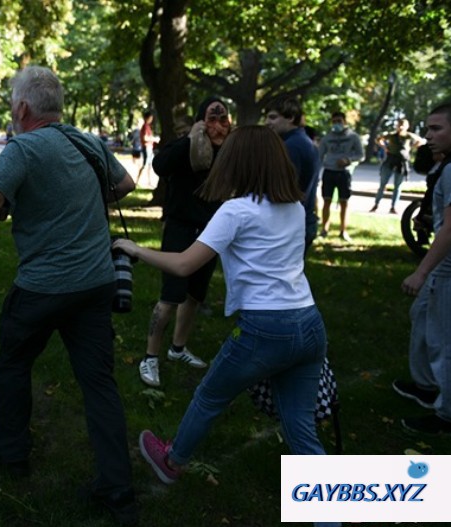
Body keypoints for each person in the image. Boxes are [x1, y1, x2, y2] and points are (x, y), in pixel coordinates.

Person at [114, 126, 339, 527]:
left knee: (210, 396)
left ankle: (171, 461)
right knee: (301, 429)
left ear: (237, 161)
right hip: (310, 323)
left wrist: (134, 248)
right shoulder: (294, 205)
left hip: (264, 329)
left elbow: (184, 264)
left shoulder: (236, 210)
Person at [0, 66, 138, 526]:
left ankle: (12, 454)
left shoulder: (24, 146)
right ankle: (119, 490)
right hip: (94, 283)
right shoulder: (87, 141)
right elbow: (126, 184)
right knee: (99, 384)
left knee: (14, 361)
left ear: (23, 108)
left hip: (43, 286)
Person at [137, 97, 231, 388]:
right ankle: (150, 356)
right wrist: (191, 138)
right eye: (211, 120)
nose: (217, 127)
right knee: (170, 298)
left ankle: (177, 349)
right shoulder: (186, 146)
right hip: (180, 229)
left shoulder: (229, 153)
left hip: (211, 232)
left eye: (223, 120)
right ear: (201, 121)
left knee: (194, 297)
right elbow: (160, 165)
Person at [395, 103, 451, 438]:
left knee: (448, 342)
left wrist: (421, 272)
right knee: (422, 313)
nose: (428, 136)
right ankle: (427, 386)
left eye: (437, 129)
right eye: (426, 129)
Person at [265, 97, 322, 253]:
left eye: (273, 117)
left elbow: (283, 192)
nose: (266, 122)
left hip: (292, 226)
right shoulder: (303, 141)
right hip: (302, 222)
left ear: (290, 118)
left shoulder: (292, 146)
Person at [318, 111, 363, 242]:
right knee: (326, 201)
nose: (337, 124)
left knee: (344, 202)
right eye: (334, 121)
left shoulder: (353, 137)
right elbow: (319, 156)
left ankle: (343, 231)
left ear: (345, 122)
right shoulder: (327, 138)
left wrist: (348, 160)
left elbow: (361, 155)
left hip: (344, 173)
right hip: (329, 172)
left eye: (339, 121)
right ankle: (324, 229)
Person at [371, 118, 425, 214]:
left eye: (402, 125)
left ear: (406, 126)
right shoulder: (391, 135)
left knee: (398, 186)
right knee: (382, 184)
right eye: (399, 124)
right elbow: (378, 139)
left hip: (402, 163)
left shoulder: (408, 136)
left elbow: (421, 140)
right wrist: (384, 147)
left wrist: (412, 147)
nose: (400, 127)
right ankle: (376, 204)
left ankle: (393, 207)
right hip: (390, 161)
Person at [136, 110, 157, 185]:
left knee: (149, 166)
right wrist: (154, 139)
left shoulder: (147, 126)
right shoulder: (145, 126)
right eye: (151, 117)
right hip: (147, 147)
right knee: (145, 165)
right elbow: (145, 138)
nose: (151, 119)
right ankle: (137, 181)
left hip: (149, 147)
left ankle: (149, 182)